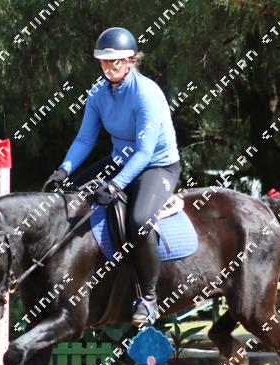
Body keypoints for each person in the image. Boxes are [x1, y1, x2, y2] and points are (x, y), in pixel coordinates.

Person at [43, 27, 181, 325]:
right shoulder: (98, 93)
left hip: (156, 166)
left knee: (139, 221)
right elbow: (84, 140)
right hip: (121, 160)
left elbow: (144, 152)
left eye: (116, 61)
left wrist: (116, 185)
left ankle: (149, 299)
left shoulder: (146, 94)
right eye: (105, 61)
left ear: (131, 60)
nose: (110, 66)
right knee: (70, 198)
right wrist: (64, 169)